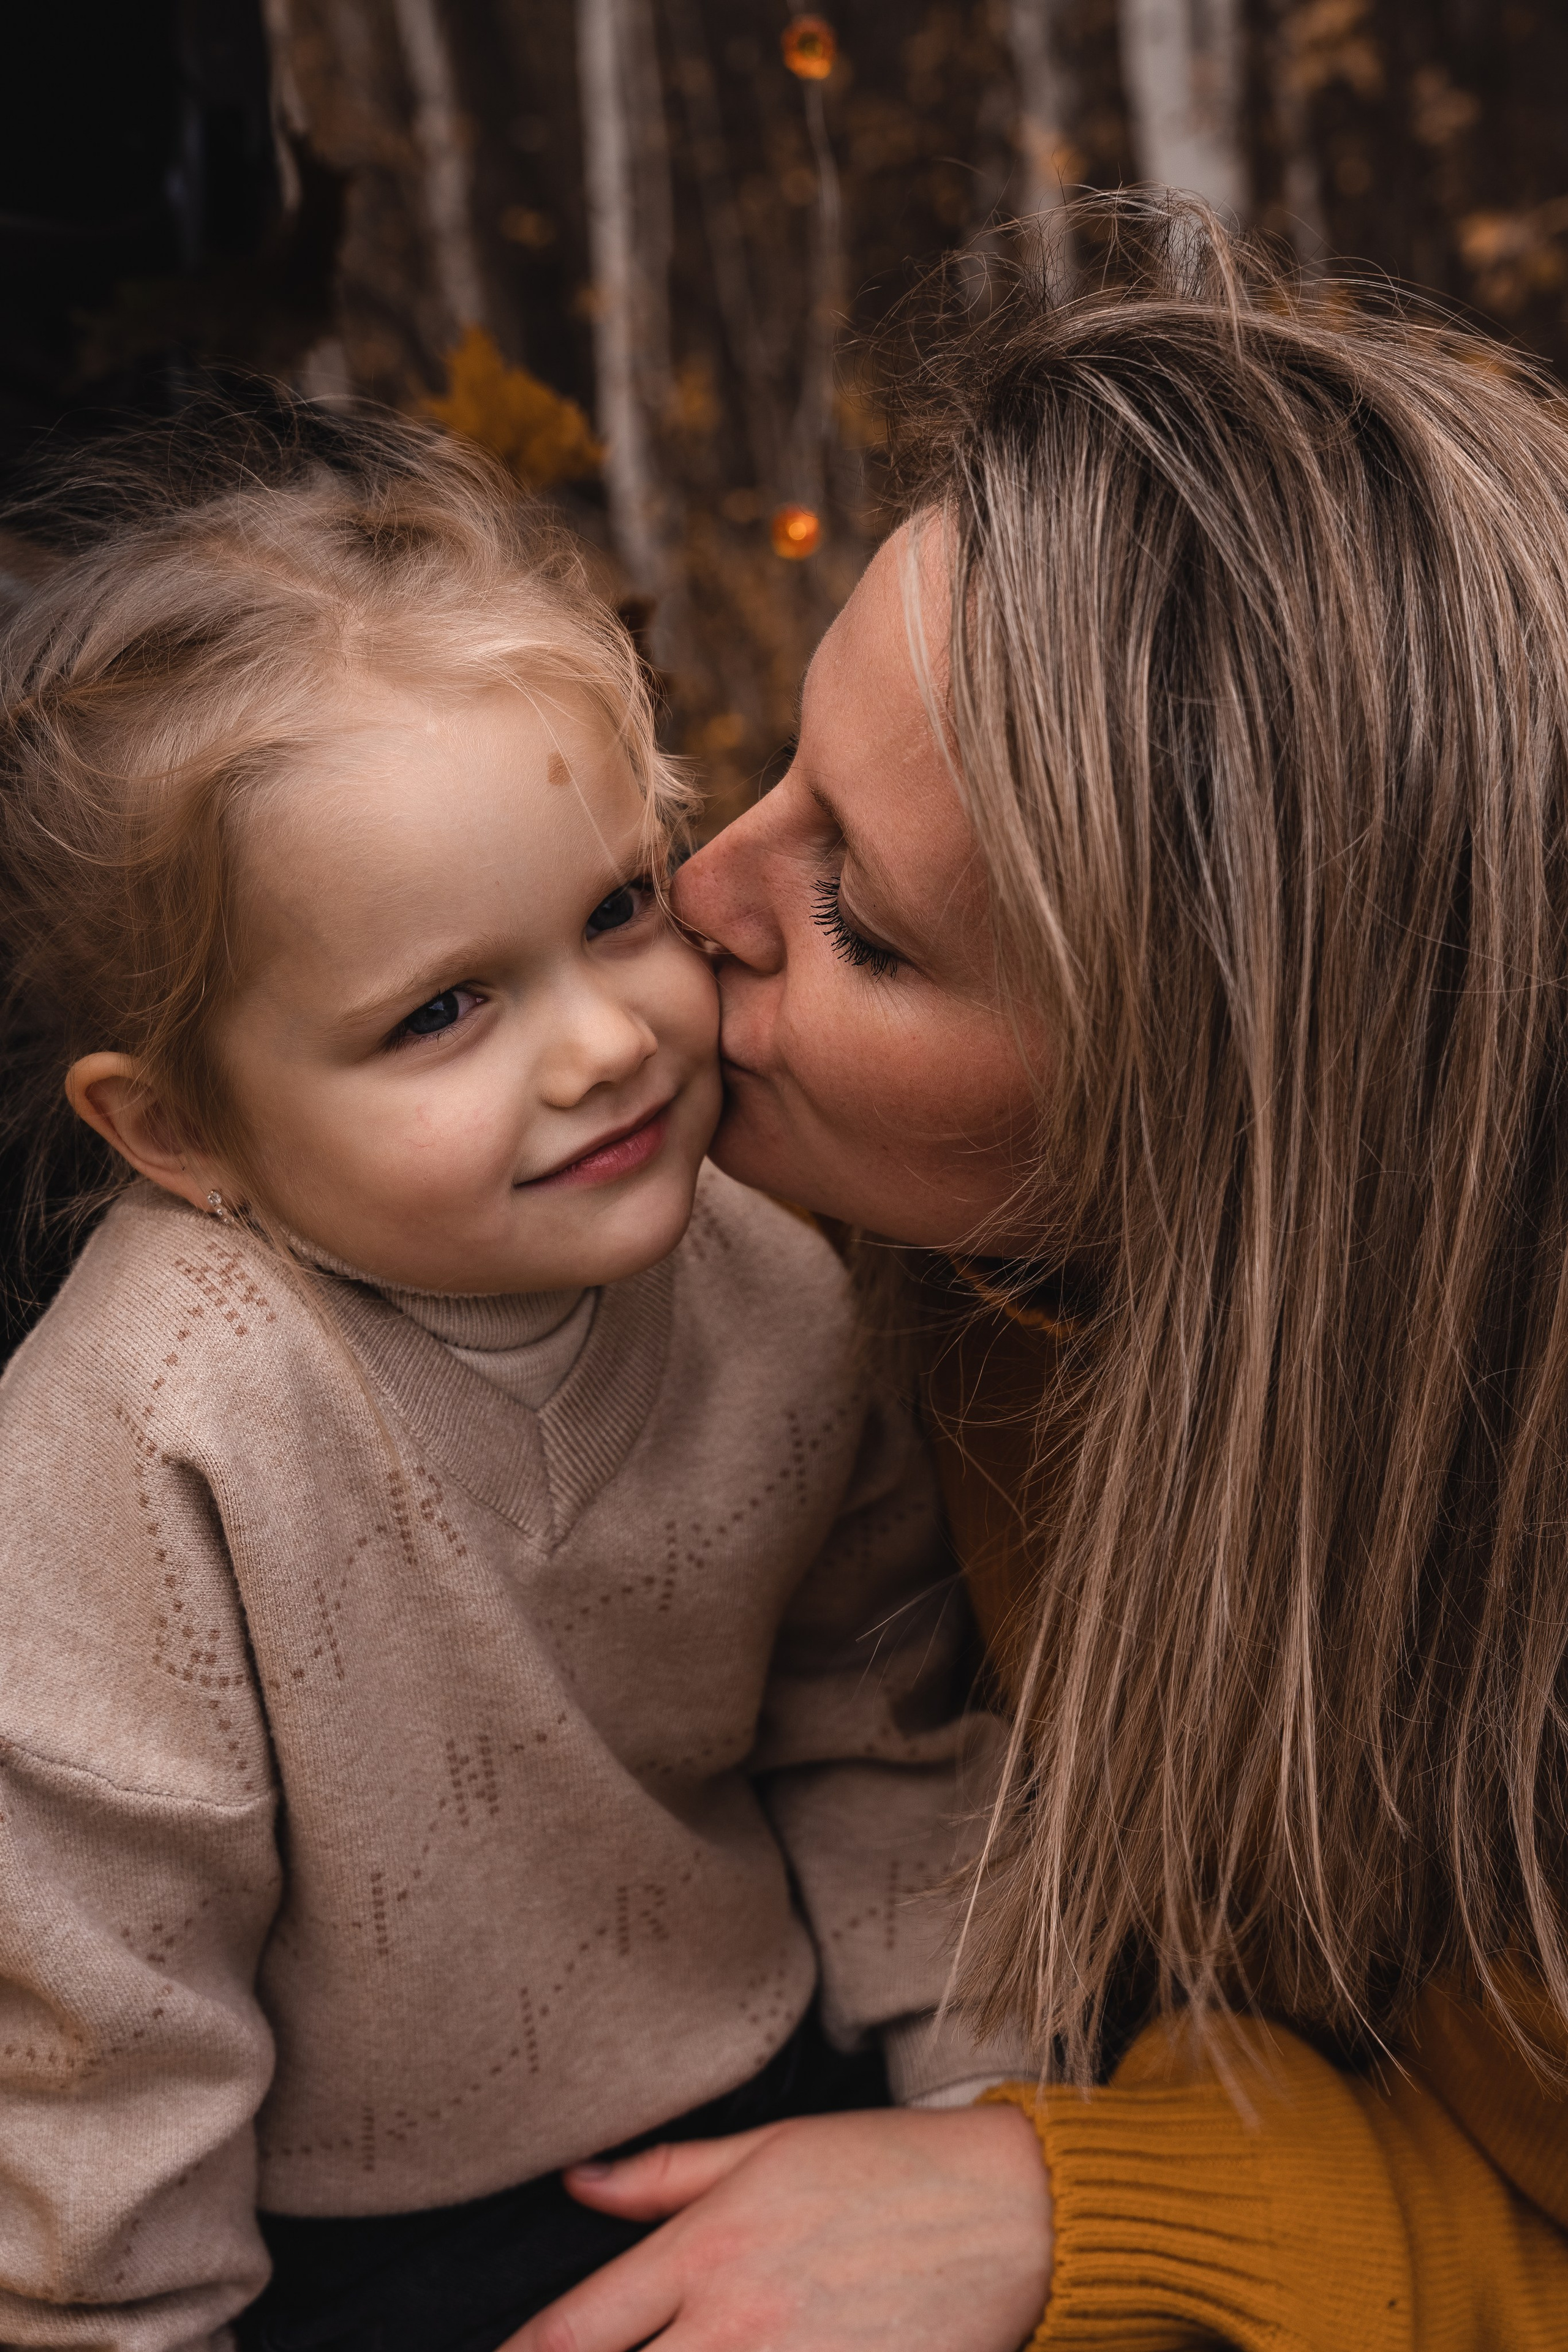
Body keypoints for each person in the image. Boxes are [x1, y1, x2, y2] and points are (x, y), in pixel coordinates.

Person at [500, 196, 1568, 2352]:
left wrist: (1097, 2205)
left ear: (1247, 1123)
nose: (699, 896)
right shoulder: (904, 1258)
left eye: (863, 923)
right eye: (776, 767)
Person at [0, 424, 1024, 2352]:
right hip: (338, 2244)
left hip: (787, 2100)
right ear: (181, 1131)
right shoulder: (151, 1435)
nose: (600, 1048)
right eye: (444, 1010)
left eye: (618, 909)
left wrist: (980, 2089)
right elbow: (98, 1990)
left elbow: (881, 1720)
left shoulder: (781, 1285)